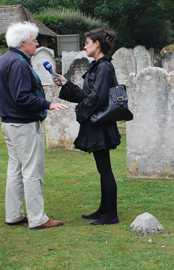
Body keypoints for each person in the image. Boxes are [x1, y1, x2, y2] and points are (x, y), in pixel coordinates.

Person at [0, 22, 68, 230]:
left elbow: (15, 90)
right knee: (32, 170)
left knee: (15, 170)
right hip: (23, 124)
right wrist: (48, 103)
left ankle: (14, 214)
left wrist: (38, 87)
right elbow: (21, 97)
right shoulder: (18, 63)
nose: (37, 43)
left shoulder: (6, 59)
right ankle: (37, 218)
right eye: (35, 40)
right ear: (23, 42)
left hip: (9, 123)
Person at [54, 28, 121, 225]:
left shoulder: (104, 68)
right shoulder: (97, 66)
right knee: (102, 168)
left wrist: (81, 111)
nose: (85, 46)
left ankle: (111, 215)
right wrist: (66, 85)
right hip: (96, 121)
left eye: (87, 42)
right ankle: (104, 209)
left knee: (105, 168)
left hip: (101, 123)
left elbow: (99, 98)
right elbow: (87, 96)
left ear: (97, 44)